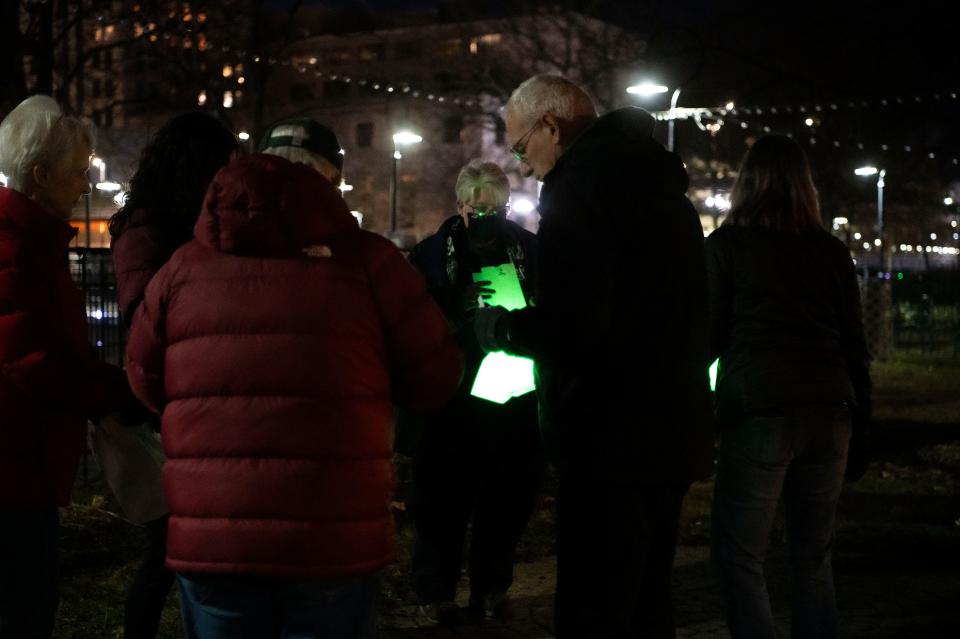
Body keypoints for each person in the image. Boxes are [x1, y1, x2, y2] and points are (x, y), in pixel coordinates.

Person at [124, 117, 464, 639]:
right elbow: (436, 377)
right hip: (332, 532)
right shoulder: (372, 263)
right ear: (331, 180)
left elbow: (143, 379)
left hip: (215, 534)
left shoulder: (182, 269)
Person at [473, 74, 715, 637]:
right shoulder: (663, 190)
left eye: (518, 146)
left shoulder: (580, 188)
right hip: (672, 431)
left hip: (608, 437)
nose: (522, 165)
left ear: (551, 128)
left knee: (594, 605)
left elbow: (575, 322)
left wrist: (504, 327)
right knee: (649, 603)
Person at [705, 134, 872, 639]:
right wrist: (861, 422)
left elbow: (705, 337)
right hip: (829, 409)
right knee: (812, 556)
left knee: (739, 556)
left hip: (760, 409)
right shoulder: (830, 252)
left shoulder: (727, 247)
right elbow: (853, 344)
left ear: (745, 185)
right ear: (806, 186)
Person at [0, 95, 136, 637]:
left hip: (23, 460)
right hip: (15, 465)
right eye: (77, 172)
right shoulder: (18, 247)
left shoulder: (30, 241)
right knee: (24, 606)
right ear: (40, 174)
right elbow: (31, 360)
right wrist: (109, 391)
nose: (84, 184)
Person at [109, 111, 239, 639]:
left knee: (177, 547)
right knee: (168, 546)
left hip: (180, 408)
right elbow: (148, 324)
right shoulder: (154, 233)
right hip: (161, 413)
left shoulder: (169, 226)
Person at [408, 160, 543, 625]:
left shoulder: (528, 249)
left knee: (507, 498)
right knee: (443, 500)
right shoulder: (430, 254)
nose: (485, 218)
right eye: (476, 208)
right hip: (455, 398)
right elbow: (415, 321)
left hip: (515, 396)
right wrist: (457, 310)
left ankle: (492, 586)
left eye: (496, 208)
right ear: (459, 205)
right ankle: (435, 593)